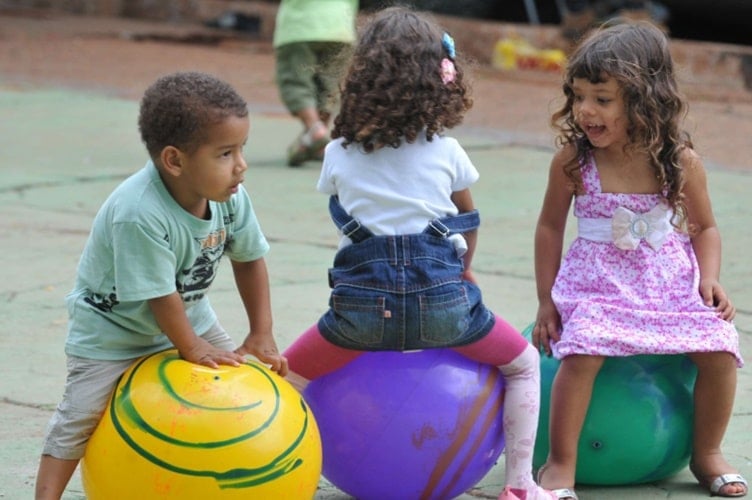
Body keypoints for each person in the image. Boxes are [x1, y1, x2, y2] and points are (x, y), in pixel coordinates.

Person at [280, 7, 559, 500]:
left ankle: (280, 479)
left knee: (285, 377)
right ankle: (520, 485)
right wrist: (464, 270)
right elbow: (468, 222)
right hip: (447, 311)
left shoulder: (338, 152)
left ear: (359, 79)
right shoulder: (447, 152)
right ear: (441, 82)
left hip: (358, 320)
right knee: (522, 364)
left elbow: (345, 213)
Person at [34, 71, 289, 500]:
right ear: (174, 161)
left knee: (231, 387)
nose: (241, 165)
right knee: (79, 417)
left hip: (189, 315)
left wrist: (260, 333)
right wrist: (192, 348)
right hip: (111, 333)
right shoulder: (138, 211)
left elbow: (249, 260)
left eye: (242, 149)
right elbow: (159, 294)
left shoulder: (231, 197)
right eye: (226, 153)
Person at [532, 21, 747, 498]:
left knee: (719, 348)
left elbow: (705, 228)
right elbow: (549, 228)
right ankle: (561, 463)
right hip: (597, 282)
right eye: (579, 95)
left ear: (645, 100)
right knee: (583, 350)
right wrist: (547, 302)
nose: (586, 110)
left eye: (602, 99)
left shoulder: (679, 160)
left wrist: (709, 279)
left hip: (668, 280)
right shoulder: (573, 160)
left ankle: (706, 452)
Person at [273, 0, 358, 167]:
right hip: (340, 26)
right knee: (329, 88)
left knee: (296, 82)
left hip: (300, 26)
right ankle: (317, 141)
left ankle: (315, 130)